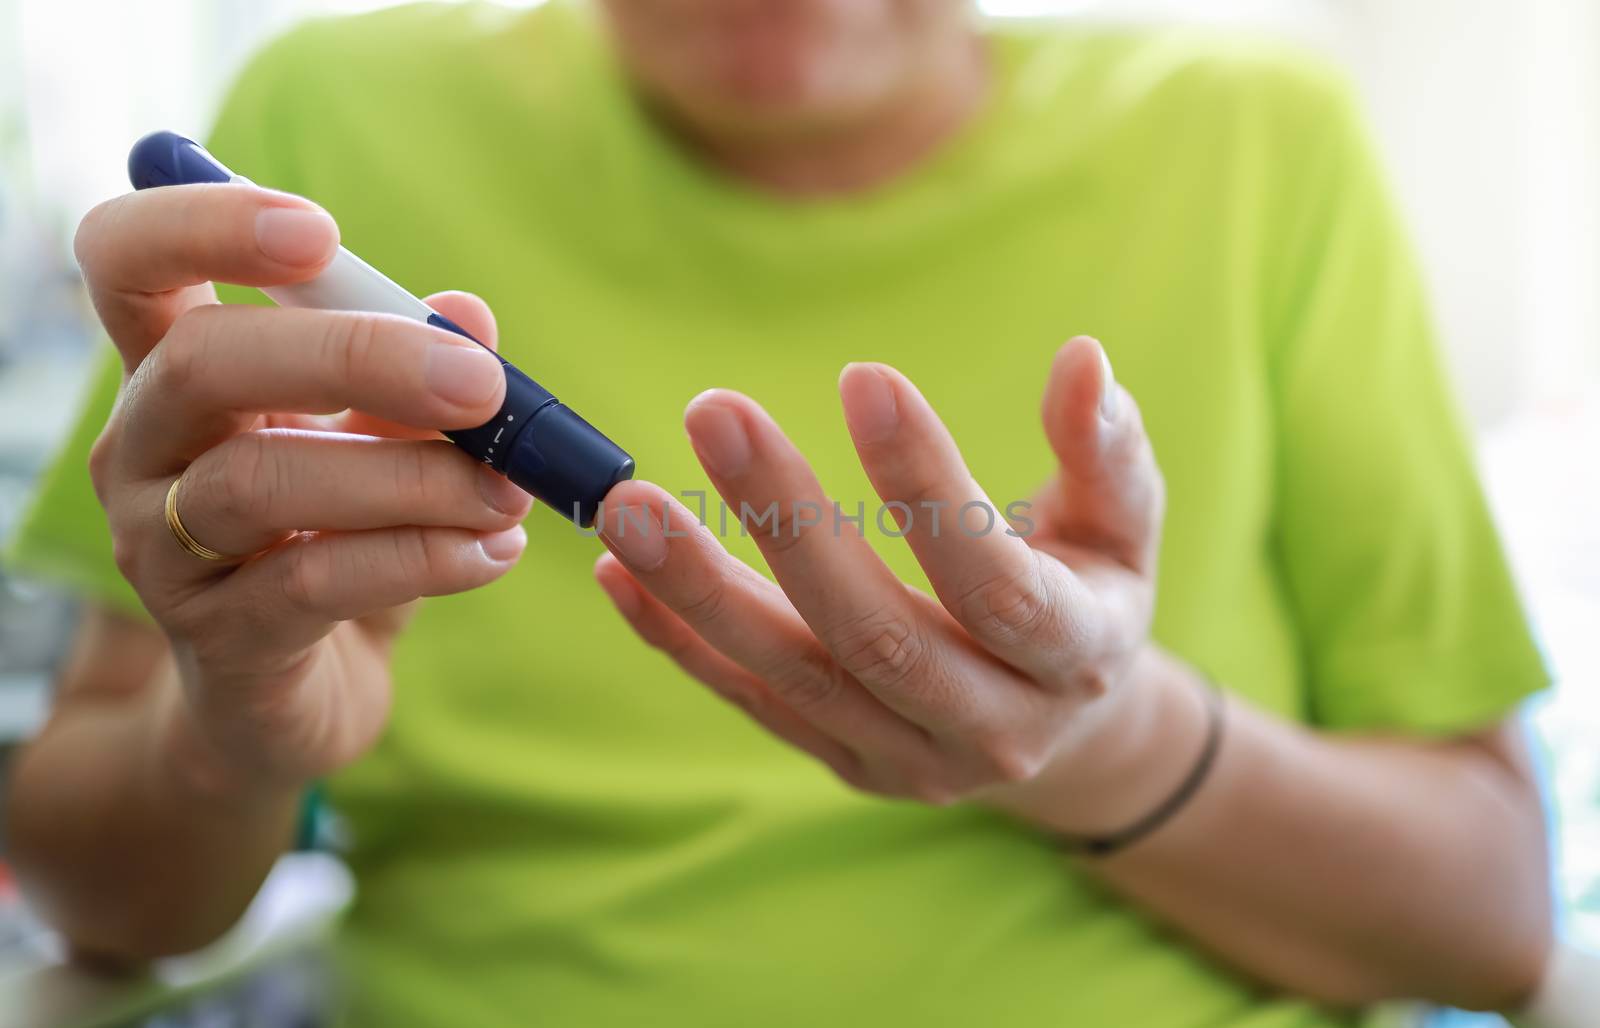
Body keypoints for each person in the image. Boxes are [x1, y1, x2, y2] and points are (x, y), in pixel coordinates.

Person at [4, 1, 1554, 1024]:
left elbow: (1492, 918)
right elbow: (96, 896)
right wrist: (229, 729)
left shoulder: (1255, 143)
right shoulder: (331, 122)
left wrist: (1108, 741)